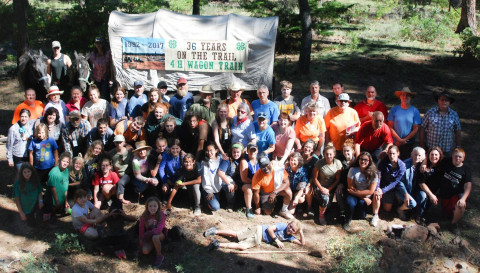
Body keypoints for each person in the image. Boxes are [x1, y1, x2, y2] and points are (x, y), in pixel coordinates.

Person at [204, 220, 305, 251]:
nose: (290, 229)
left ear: (294, 232)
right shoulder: (282, 226)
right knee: (236, 235)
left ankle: (217, 244)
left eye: (293, 229)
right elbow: (270, 229)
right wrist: (276, 240)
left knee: (242, 246)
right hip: (259, 230)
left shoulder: (290, 237)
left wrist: (301, 232)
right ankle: (215, 231)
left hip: (259, 239)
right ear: (288, 224)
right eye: (290, 226)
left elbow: (302, 243)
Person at [438, 148, 472, 234]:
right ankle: (445, 215)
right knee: (445, 213)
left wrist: (463, 199)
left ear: (463, 158)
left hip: (456, 195)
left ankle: (454, 223)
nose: (457, 158)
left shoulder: (465, 169)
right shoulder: (446, 161)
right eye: (455, 156)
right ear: (452, 156)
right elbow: (434, 157)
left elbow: (468, 185)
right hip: (443, 193)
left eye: (460, 157)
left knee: (461, 205)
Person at [344, 151, 378, 231]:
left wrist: (362, 197)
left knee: (361, 216)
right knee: (350, 203)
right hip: (353, 194)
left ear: (369, 161)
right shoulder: (353, 170)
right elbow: (351, 187)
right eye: (361, 159)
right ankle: (347, 220)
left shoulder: (374, 173)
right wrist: (363, 197)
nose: (363, 161)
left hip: (364, 195)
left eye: (366, 160)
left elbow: (370, 191)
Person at [371, 145, 405, 226]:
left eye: (393, 153)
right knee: (376, 194)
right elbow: (379, 175)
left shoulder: (402, 166)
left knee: (387, 209)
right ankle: (375, 215)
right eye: (390, 154)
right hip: (382, 185)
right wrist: (378, 188)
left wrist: (383, 191)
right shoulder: (384, 161)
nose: (391, 156)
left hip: (391, 187)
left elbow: (395, 182)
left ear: (398, 153)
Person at [251, 155, 294, 219]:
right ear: (259, 167)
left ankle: (284, 210)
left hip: (278, 190)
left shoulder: (278, 169)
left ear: (270, 163)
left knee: (288, 192)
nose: (266, 168)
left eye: (267, 165)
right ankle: (273, 207)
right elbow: (256, 193)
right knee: (267, 212)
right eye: (263, 166)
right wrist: (257, 207)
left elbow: (287, 182)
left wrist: (275, 192)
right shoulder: (257, 175)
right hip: (266, 193)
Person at [420, 90, 461, 157]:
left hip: (447, 149)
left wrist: (458, 146)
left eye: (446, 100)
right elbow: (422, 127)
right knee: (430, 167)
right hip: (431, 149)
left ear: (449, 102)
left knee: (445, 166)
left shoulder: (454, 115)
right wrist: (421, 143)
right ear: (438, 100)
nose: (444, 102)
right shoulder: (430, 112)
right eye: (442, 99)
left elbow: (458, 131)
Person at [311, 143, 343, 225]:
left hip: (331, 187)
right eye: (326, 154)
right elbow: (314, 178)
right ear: (324, 154)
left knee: (328, 204)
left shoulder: (338, 163)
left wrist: (328, 189)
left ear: (334, 154)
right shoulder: (319, 163)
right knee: (325, 199)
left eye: (330, 154)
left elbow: (337, 179)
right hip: (320, 186)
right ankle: (321, 216)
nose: (328, 156)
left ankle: (341, 212)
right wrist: (322, 189)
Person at [387, 87, 421, 160]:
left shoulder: (415, 111)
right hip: (395, 143)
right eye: (403, 95)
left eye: (407, 95)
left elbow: (416, 129)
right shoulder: (394, 110)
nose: (405, 97)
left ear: (410, 97)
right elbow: (390, 127)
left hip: (408, 143)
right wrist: (399, 140)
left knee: (406, 163)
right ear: (400, 96)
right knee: (393, 162)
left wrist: (404, 140)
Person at [202, 143, 236, 212]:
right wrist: (209, 191)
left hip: (220, 186)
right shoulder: (204, 162)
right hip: (210, 189)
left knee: (231, 187)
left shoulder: (221, 159)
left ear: (216, 150)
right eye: (207, 151)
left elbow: (225, 174)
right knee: (215, 207)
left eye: (211, 150)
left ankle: (230, 205)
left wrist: (231, 182)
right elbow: (205, 179)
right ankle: (206, 201)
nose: (209, 153)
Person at [395, 147, 424, 221]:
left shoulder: (423, 165)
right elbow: (399, 182)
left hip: (414, 190)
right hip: (403, 190)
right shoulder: (405, 164)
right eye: (415, 155)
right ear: (412, 155)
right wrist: (406, 194)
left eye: (419, 155)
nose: (417, 157)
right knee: (412, 203)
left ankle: (415, 212)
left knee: (423, 196)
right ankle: (400, 209)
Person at [416, 146, 444, 224]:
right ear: (428, 155)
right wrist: (431, 195)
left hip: (435, 190)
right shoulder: (423, 166)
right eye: (432, 154)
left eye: (436, 155)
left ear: (440, 156)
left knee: (429, 204)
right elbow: (421, 183)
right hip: (423, 190)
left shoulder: (442, 165)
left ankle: (425, 215)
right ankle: (419, 215)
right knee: (423, 196)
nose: (434, 157)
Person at [139, 196, 167, 268]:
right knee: (145, 251)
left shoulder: (161, 215)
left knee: (155, 236)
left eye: (155, 206)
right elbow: (141, 228)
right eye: (150, 206)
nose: (152, 208)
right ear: (147, 207)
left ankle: (159, 255)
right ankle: (156, 246)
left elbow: (159, 230)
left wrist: (148, 233)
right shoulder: (144, 216)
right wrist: (141, 239)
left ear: (158, 206)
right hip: (149, 236)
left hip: (160, 235)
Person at [43, 152, 71, 221]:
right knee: (48, 213)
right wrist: (56, 201)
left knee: (64, 210)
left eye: (67, 162)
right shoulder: (54, 172)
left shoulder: (66, 171)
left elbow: (65, 187)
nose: (65, 163)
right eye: (63, 161)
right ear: (59, 161)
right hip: (52, 200)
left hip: (61, 198)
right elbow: (52, 187)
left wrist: (66, 200)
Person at [109, 135, 133, 204]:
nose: (119, 144)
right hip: (116, 173)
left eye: (120, 142)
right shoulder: (111, 153)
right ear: (114, 143)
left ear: (124, 142)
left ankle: (120, 201)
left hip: (127, 173)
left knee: (121, 182)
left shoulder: (129, 152)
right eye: (117, 142)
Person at [240, 143, 259, 219]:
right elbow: (244, 179)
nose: (252, 152)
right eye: (250, 150)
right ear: (247, 151)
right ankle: (249, 208)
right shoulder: (244, 161)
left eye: (254, 150)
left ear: (257, 151)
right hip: (246, 183)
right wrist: (255, 184)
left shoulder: (260, 159)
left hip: (258, 183)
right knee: (249, 189)